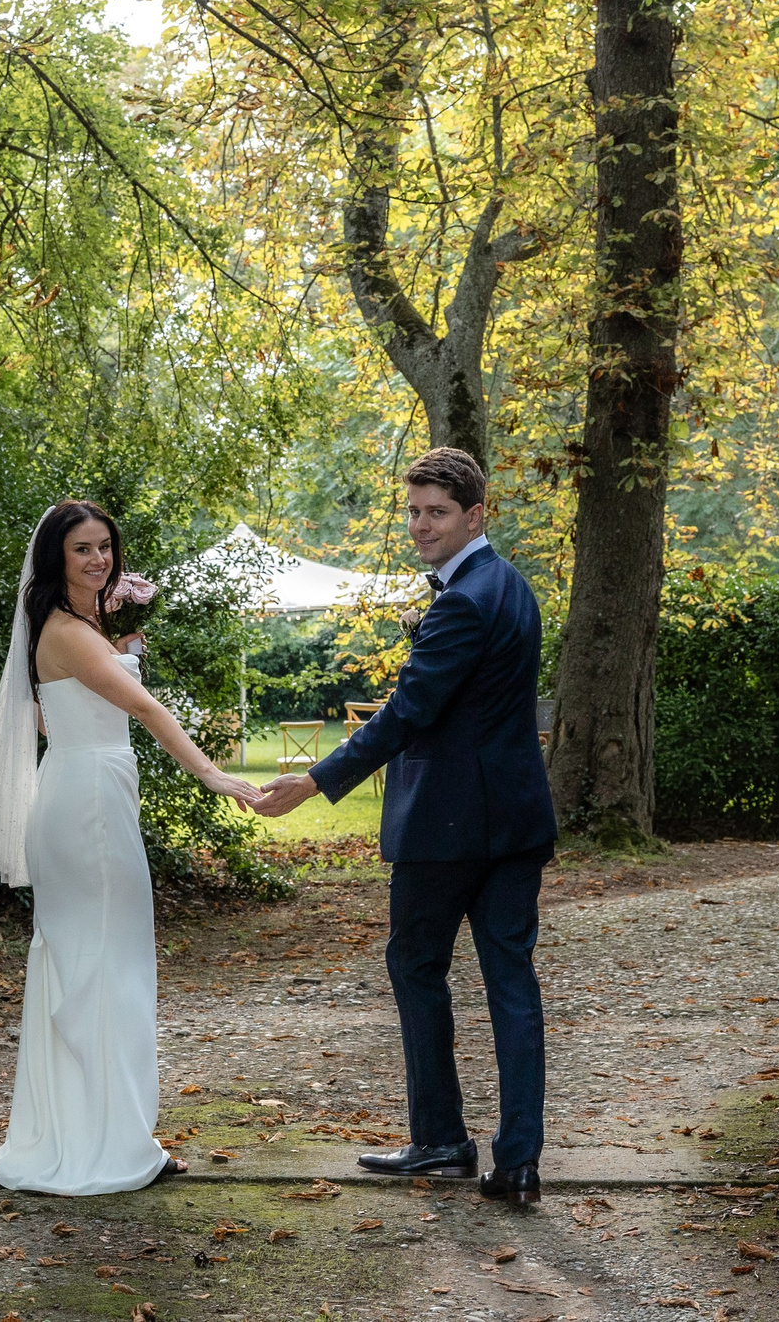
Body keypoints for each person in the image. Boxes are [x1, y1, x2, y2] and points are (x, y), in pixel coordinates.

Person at [255, 447, 556, 1204]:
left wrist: (318, 778)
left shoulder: (462, 600)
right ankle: (518, 1163)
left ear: (474, 515)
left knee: (416, 966)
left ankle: (440, 1140)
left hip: (452, 829)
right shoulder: (513, 587)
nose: (421, 524)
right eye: (415, 510)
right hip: (517, 819)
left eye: (437, 512)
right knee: (511, 983)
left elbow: (410, 711)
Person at [0, 500, 264, 1195]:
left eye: (105, 547)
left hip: (84, 786)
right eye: (82, 550)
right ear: (55, 560)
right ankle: (109, 1144)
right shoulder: (69, 630)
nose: (99, 559)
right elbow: (146, 709)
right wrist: (211, 773)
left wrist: (121, 651)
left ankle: (108, 1131)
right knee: (105, 966)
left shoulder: (77, 627)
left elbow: (48, 713)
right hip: (88, 803)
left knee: (98, 963)